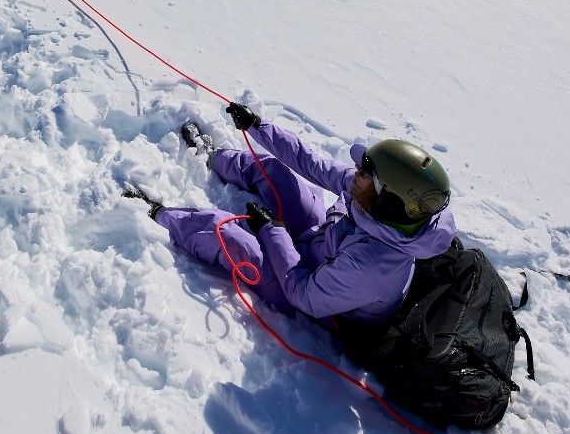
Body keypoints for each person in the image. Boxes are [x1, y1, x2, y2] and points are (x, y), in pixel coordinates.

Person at [125, 102, 456, 325]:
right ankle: (212, 157)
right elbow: (313, 164)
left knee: (224, 232)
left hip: (313, 299)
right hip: (318, 244)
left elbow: (305, 296)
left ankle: (156, 214)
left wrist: (273, 231)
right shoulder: (370, 197)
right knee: (275, 173)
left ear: (388, 197)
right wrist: (258, 127)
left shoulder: (373, 265)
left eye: (366, 170)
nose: (356, 170)